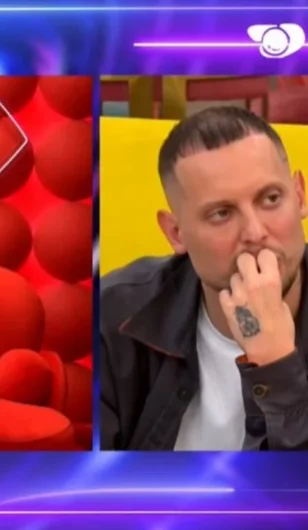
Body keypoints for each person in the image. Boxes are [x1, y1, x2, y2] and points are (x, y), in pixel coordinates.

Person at [100, 106, 308, 451]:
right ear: (176, 233)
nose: (255, 232)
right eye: (221, 213)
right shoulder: (111, 315)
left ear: (299, 196)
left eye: (271, 199)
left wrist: (277, 369)